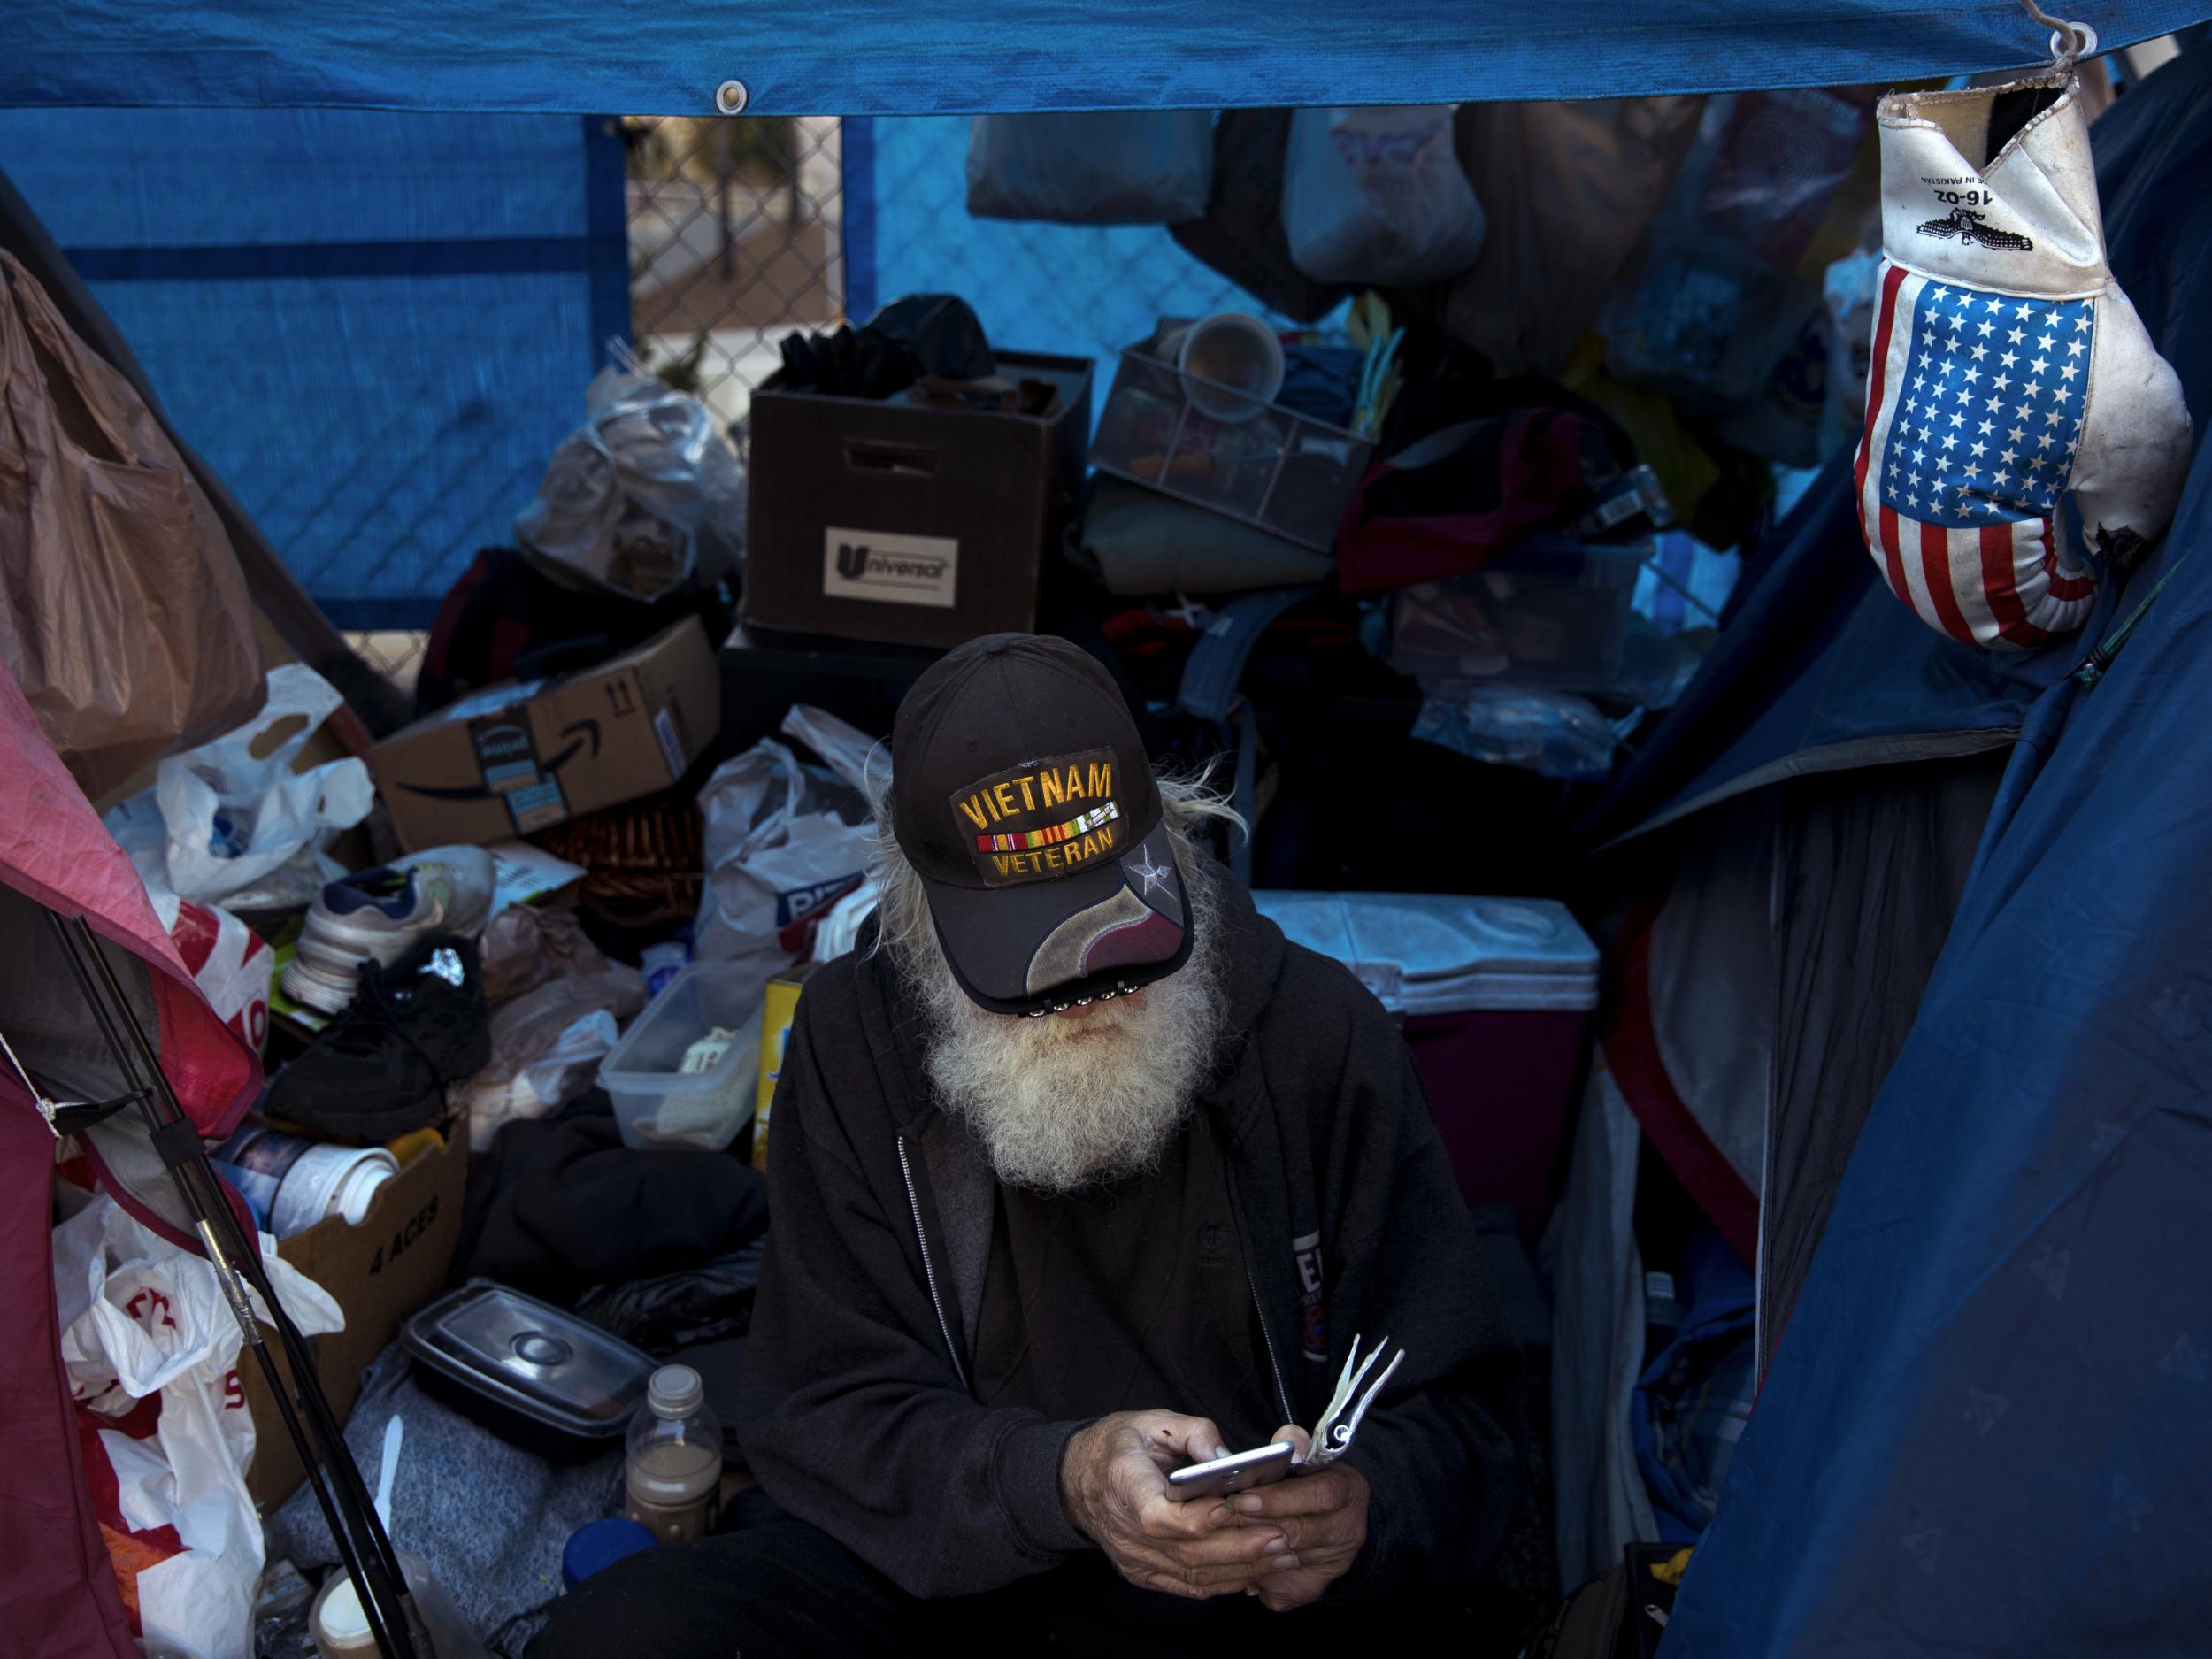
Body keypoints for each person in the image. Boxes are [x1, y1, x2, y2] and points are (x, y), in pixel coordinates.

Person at [534, 634, 1525, 1656]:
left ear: (1175, 841)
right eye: (1035, 966)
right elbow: (826, 1407)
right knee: (629, 1633)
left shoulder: (1320, 1035)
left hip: (1247, 1611)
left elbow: (1465, 1420)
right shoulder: (853, 1041)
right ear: (920, 915)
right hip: (962, 1576)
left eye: (1117, 938)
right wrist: (1061, 1481)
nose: (1091, 991)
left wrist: (1364, 1507)